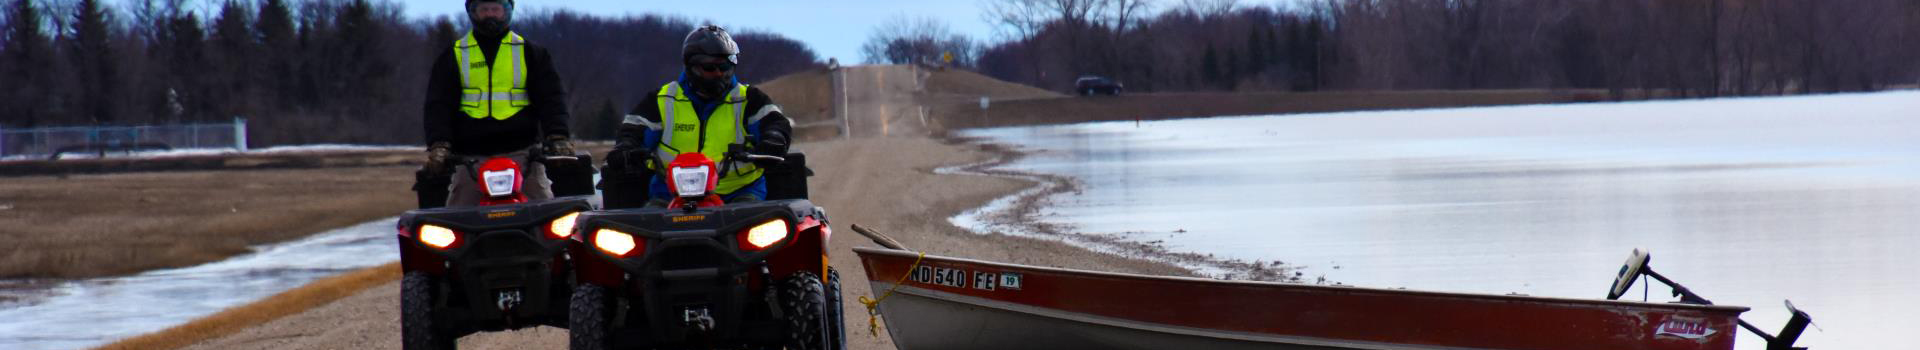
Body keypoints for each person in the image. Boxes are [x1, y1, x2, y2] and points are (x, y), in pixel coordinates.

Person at [612, 25, 793, 206]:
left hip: (738, 194)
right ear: (691, 67)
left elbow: (775, 123)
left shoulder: (749, 99)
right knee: (639, 229)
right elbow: (634, 128)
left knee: (765, 228)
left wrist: (774, 140)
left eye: (725, 67)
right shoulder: (662, 99)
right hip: (669, 196)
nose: (719, 73)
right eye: (710, 68)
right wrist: (626, 147)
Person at [422, 0, 573, 207]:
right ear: (473, 13)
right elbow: (438, 105)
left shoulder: (530, 52)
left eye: (496, 9)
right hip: (471, 160)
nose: (490, 15)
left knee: (550, 217)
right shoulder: (454, 54)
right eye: (484, 9)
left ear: (507, 12)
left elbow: (552, 99)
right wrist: (439, 144)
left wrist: (558, 136)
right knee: (453, 223)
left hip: (524, 155)